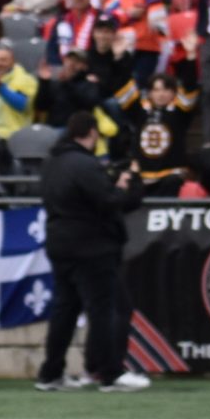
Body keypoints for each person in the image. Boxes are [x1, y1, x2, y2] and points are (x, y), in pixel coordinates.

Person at [35, 110, 147, 392]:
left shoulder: (52, 163)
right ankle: (109, 373)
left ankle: (50, 373)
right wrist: (129, 187)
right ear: (92, 132)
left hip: (60, 243)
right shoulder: (85, 164)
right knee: (102, 310)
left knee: (65, 310)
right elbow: (108, 201)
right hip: (91, 246)